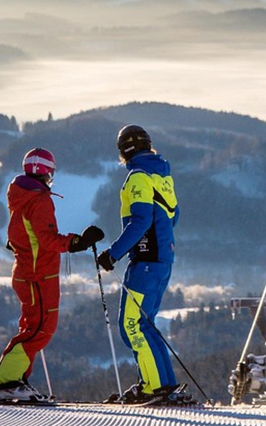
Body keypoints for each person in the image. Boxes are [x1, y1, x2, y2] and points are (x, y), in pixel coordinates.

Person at [0, 147, 104, 402]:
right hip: (38, 275)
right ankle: (5, 383)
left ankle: (16, 379)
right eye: (51, 172)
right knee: (41, 329)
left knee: (31, 327)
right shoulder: (39, 199)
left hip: (29, 273)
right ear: (46, 172)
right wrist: (77, 242)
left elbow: (20, 236)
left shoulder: (21, 196)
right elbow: (47, 240)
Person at [97, 124, 181, 404]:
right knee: (145, 324)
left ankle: (153, 387)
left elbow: (140, 220)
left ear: (123, 151)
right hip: (161, 260)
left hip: (145, 262)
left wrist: (113, 253)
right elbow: (174, 215)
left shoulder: (137, 177)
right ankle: (162, 383)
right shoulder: (161, 175)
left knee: (131, 324)